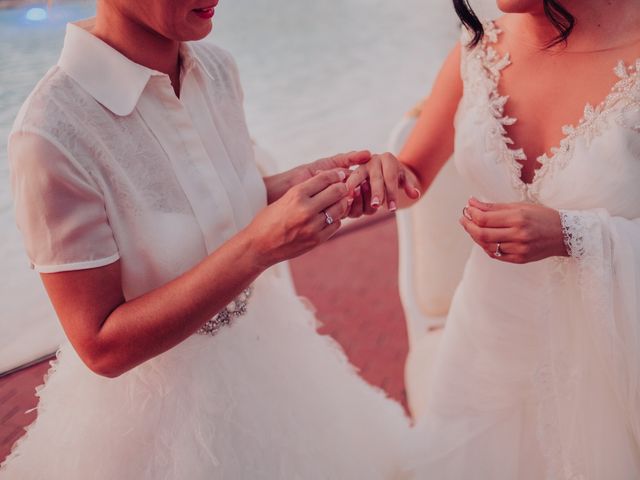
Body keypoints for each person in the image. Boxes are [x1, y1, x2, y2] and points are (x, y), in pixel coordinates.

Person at [0, 1, 419, 478]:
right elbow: (101, 346)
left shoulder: (217, 68)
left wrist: (308, 191)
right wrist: (261, 246)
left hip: (274, 358)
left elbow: (207, 208)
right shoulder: (51, 134)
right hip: (158, 425)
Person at [348, 0, 640, 477]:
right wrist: (380, 176)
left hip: (611, 367)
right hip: (484, 351)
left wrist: (574, 235)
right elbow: (412, 177)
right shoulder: (479, 48)